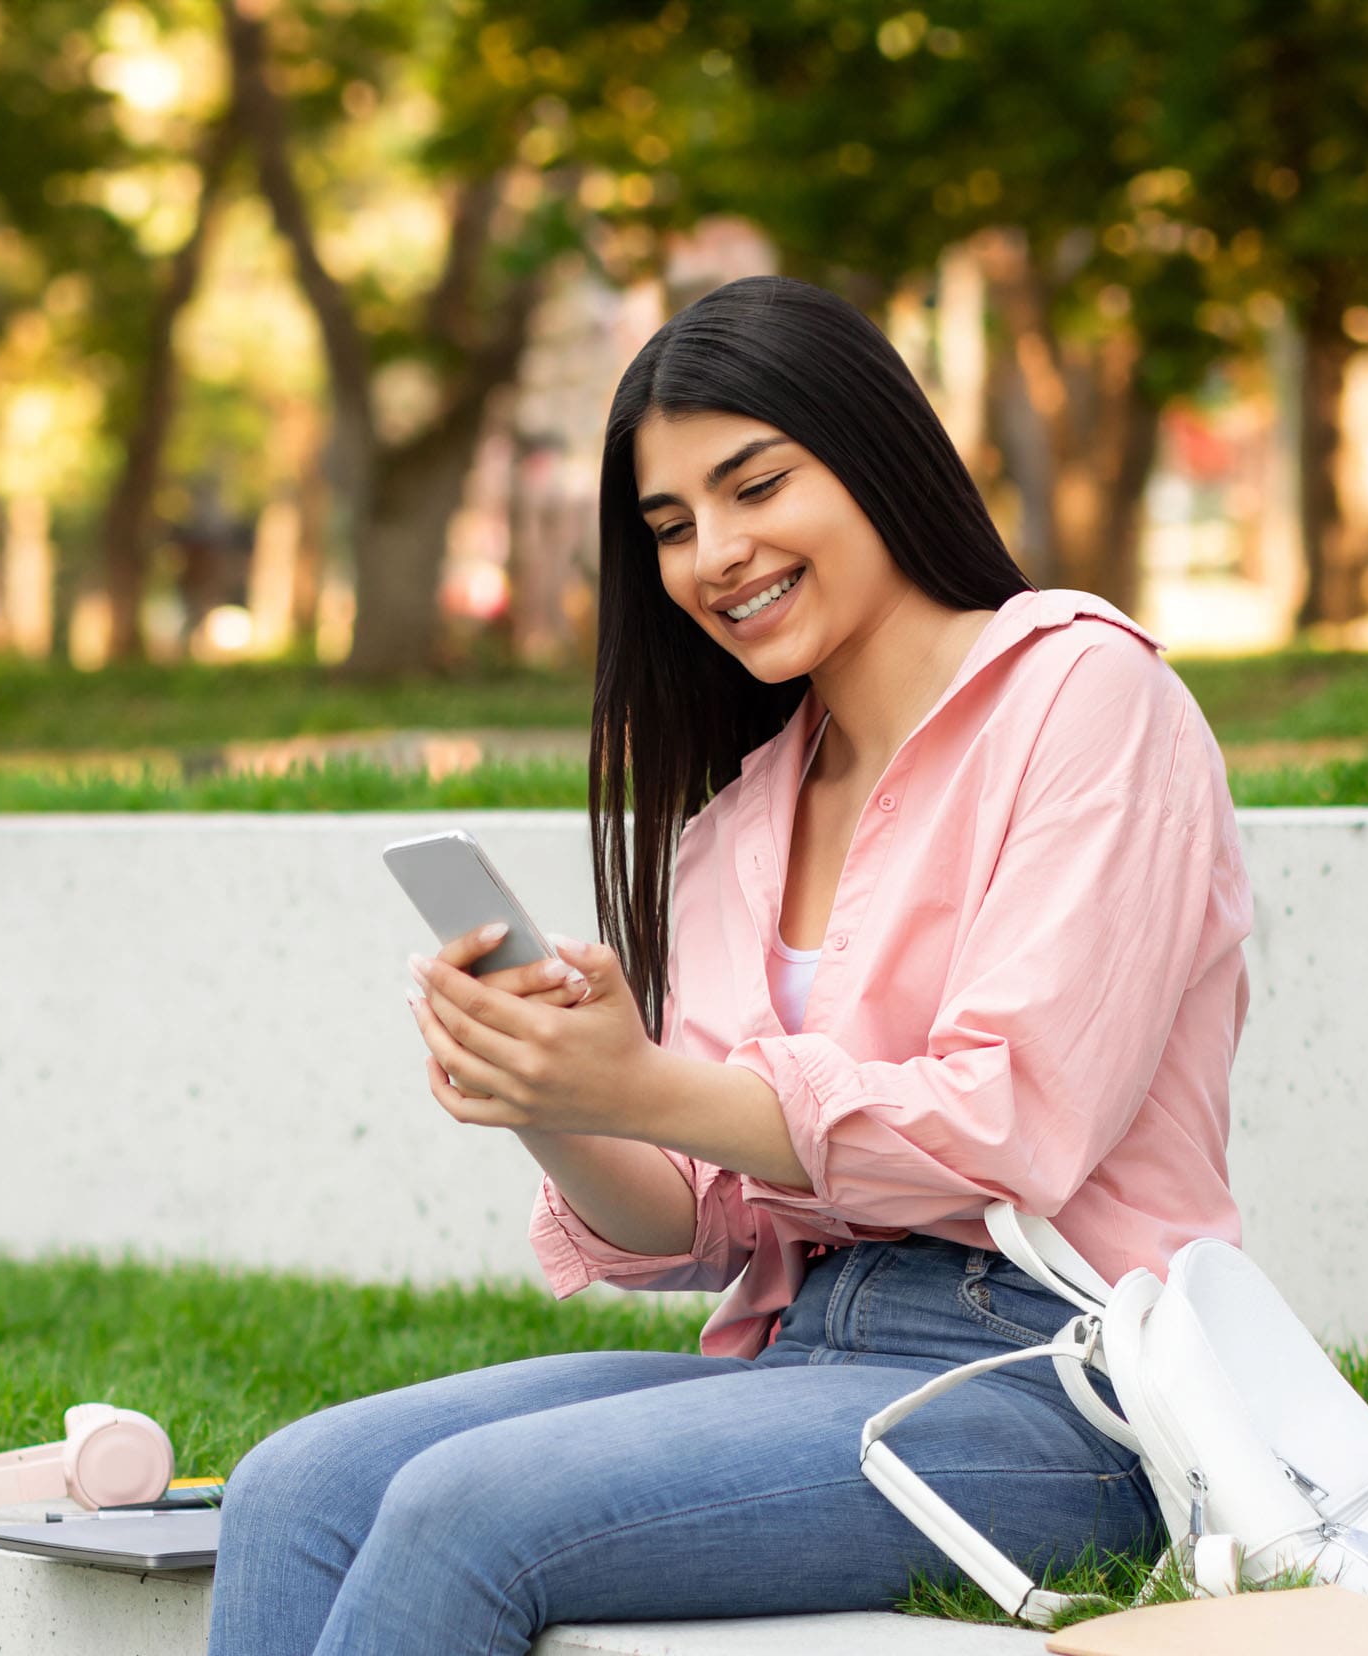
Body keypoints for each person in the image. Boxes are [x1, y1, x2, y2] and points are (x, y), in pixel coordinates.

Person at [206, 275, 1252, 1656]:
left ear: (874, 455)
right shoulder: (740, 821)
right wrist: (557, 1097)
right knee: (296, 1488)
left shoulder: (1087, 698)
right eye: (672, 525)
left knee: (468, 1511)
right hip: (806, 1355)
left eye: (757, 486)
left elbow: (1017, 1125)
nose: (716, 553)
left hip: (1062, 1390)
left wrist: (646, 1088)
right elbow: (699, 1228)